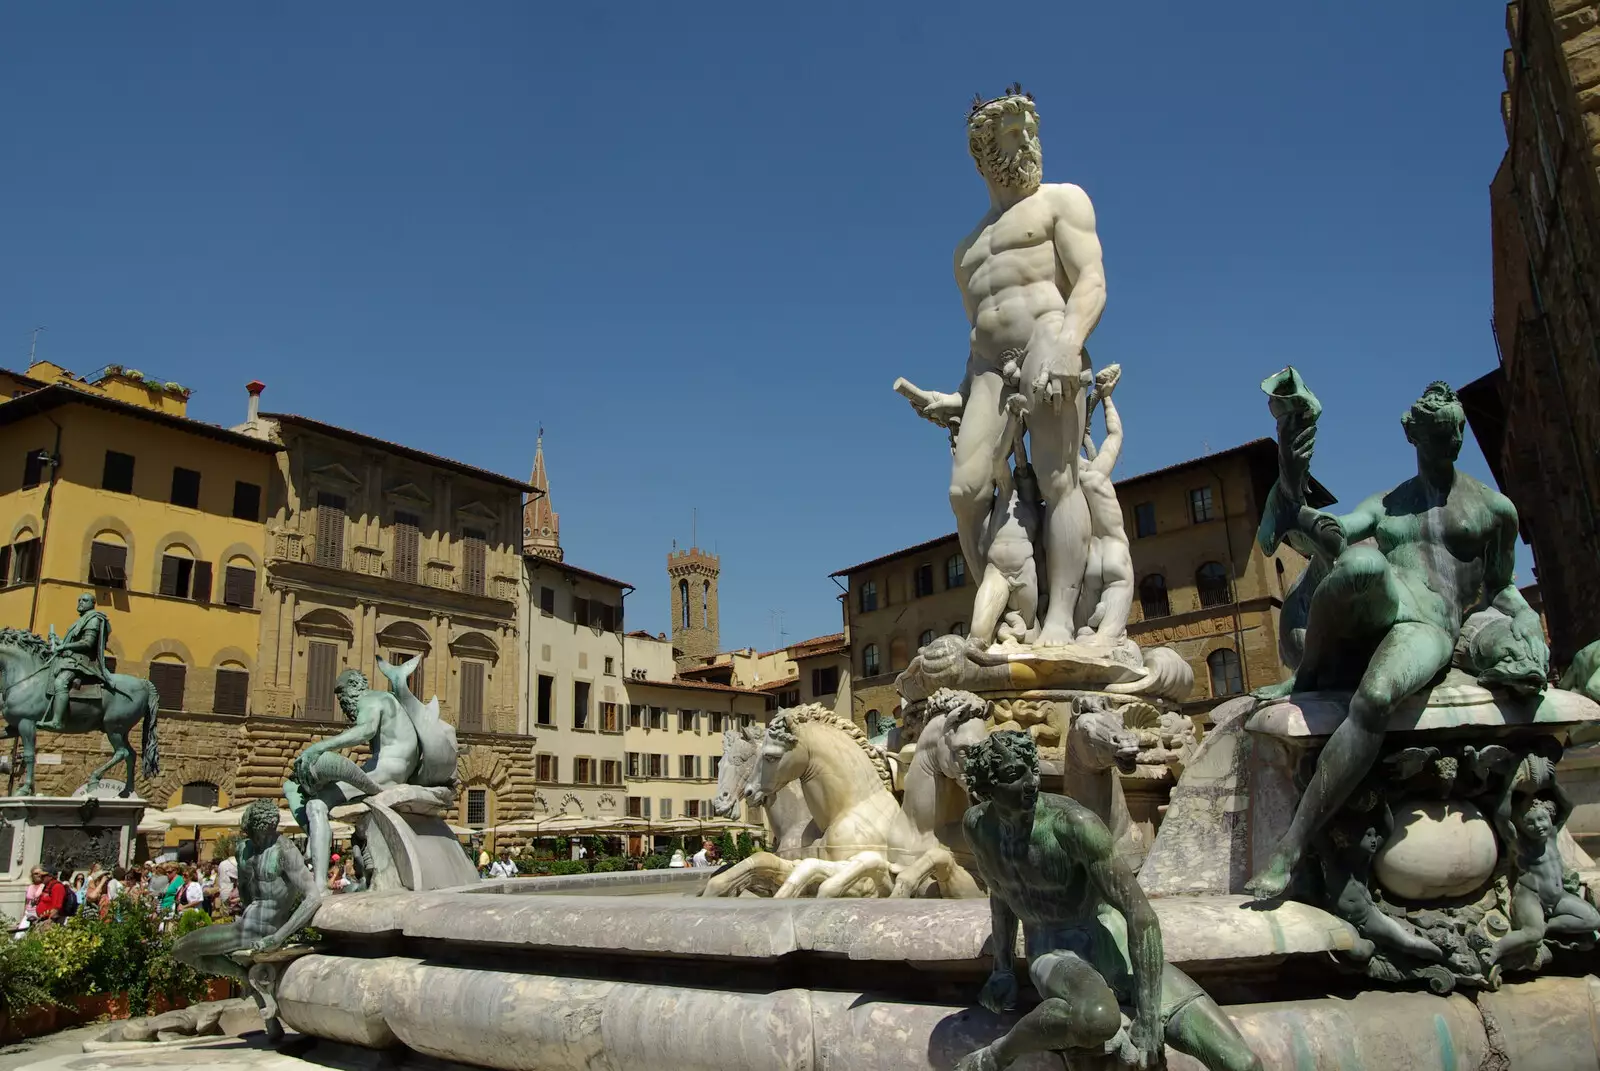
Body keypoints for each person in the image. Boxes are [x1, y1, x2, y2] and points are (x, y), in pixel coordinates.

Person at [1245, 381, 1549, 899]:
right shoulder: (1387, 506)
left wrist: (1526, 629)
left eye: (1454, 434)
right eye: (1436, 436)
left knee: (1377, 698)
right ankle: (1309, 677)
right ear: (1414, 438)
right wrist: (1292, 472)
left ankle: (1291, 845)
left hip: (1428, 626)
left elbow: (1502, 588)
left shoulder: (1493, 510)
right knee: (1360, 561)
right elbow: (1333, 527)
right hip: (1385, 605)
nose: (1448, 445)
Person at [894, 87, 1107, 646]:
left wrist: (1068, 343)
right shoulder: (967, 251)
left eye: (1033, 132)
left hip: (1049, 339)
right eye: (1016, 134)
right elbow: (979, 331)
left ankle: (1059, 619)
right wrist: (958, 397)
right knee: (965, 493)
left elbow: (1090, 281)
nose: (1030, 142)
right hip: (987, 368)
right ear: (983, 151)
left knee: (1059, 479)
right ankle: (1011, 604)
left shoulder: (1063, 200)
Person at [954, 731, 1261, 1071]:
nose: (1032, 782)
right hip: (1056, 952)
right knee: (1097, 1020)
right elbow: (1001, 891)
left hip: (1113, 944)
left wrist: (1147, 1015)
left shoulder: (1072, 824)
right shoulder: (978, 826)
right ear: (986, 789)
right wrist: (1003, 970)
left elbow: (1140, 916)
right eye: (1016, 775)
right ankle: (998, 1054)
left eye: (1032, 768)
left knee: (1242, 1064)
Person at [284, 664, 441, 889]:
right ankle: (319, 847)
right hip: (397, 771)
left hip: (384, 772)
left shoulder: (371, 699)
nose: (342, 703)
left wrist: (318, 748)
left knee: (316, 804)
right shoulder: (388, 701)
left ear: (356, 685)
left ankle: (318, 885)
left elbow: (365, 729)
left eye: (343, 695)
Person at [37, 592, 114, 731]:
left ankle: (57, 721)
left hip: (81, 662)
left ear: (92, 603)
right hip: (70, 659)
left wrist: (64, 646)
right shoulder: (81, 620)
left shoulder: (93, 619)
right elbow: (73, 642)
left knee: (61, 682)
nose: (80, 602)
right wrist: (58, 641)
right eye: (79, 600)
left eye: (84, 600)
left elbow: (87, 643)